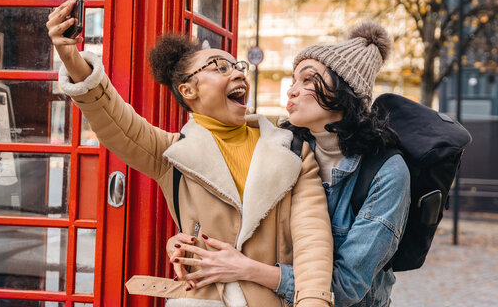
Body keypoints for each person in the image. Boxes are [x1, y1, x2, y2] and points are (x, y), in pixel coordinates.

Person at [46, 0, 334, 307]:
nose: (238, 73)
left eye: (237, 66)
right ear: (188, 90)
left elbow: (313, 244)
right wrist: (69, 56)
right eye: (220, 67)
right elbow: (114, 118)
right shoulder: (172, 153)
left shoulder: (292, 150)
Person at [169, 22, 410, 307]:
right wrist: (188, 243)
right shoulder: (287, 147)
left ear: (346, 90)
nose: (292, 91)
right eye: (293, 80)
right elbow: (242, 218)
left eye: (308, 80)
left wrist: (247, 268)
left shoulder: (387, 173)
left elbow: (346, 287)